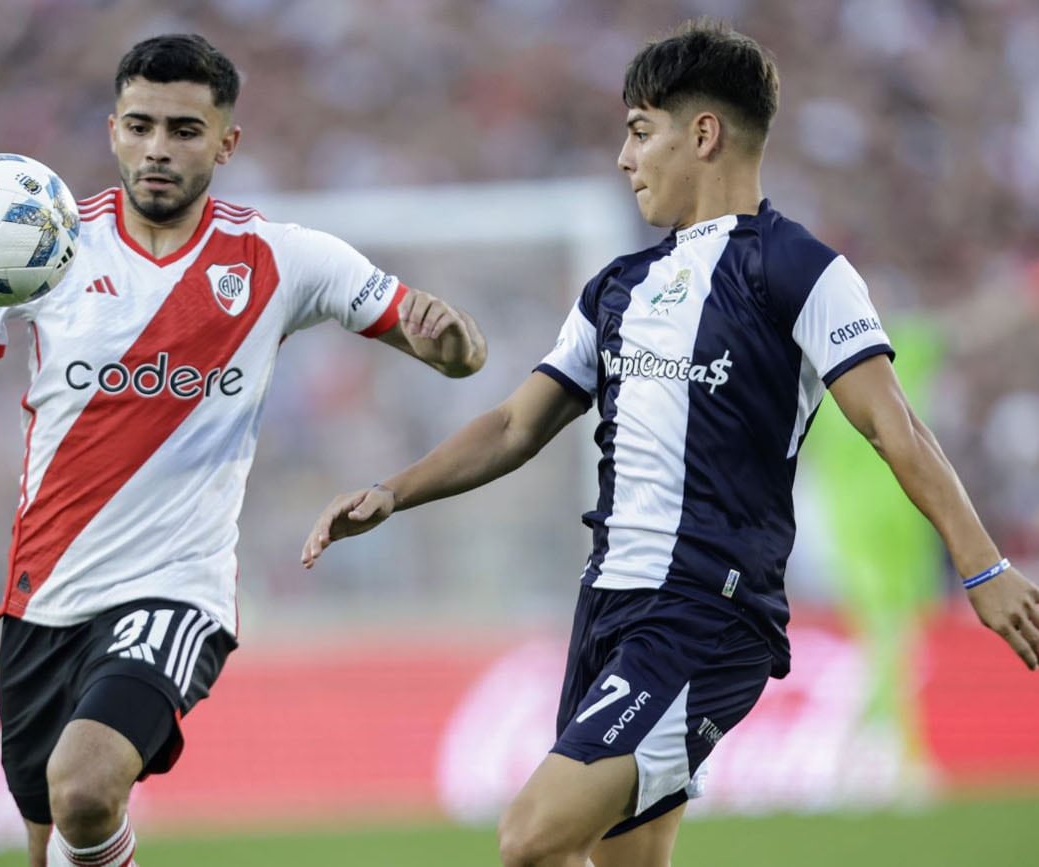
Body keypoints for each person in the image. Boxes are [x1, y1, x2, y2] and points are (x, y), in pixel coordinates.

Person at [301, 19, 1039, 867]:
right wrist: (394, 491)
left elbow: (891, 423)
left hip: (705, 610)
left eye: (639, 131)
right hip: (607, 607)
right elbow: (515, 423)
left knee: (532, 836)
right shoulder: (618, 285)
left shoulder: (800, 270)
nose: (624, 156)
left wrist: (982, 568)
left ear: (703, 133)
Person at [0, 33, 486, 867]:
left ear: (226, 143)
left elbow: (449, 349)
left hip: (174, 590)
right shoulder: (44, 246)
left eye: (184, 129)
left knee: (86, 786)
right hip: (42, 597)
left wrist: (453, 342)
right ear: (112, 131)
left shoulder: (284, 258)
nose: (158, 148)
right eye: (141, 125)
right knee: (51, 841)